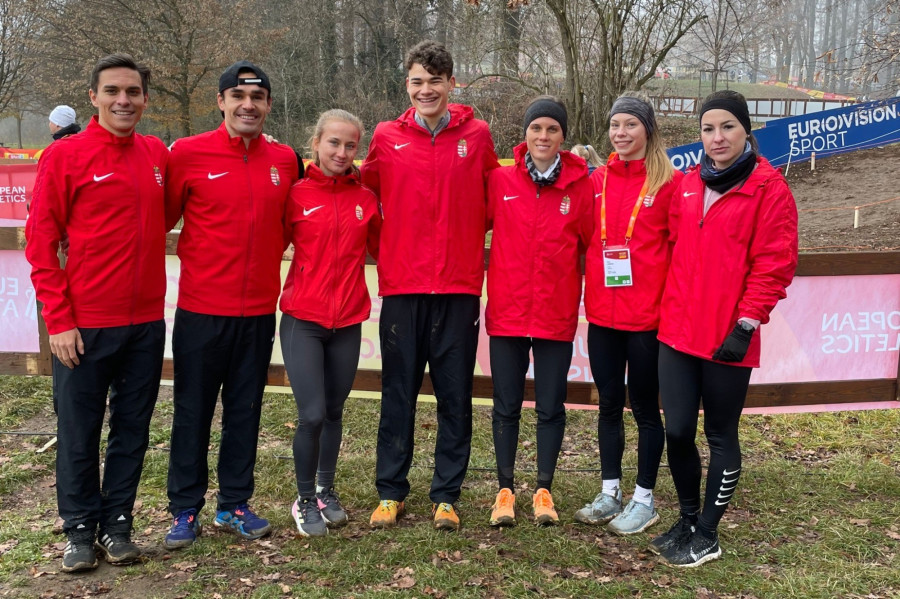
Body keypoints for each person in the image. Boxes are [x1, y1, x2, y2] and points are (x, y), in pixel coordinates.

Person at [25, 54, 168, 572]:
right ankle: (80, 529)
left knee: (132, 429)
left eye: (132, 92)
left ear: (145, 98)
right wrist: (59, 320)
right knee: (79, 431)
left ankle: (118, 524)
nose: (123, 100)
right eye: (112, 91)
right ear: (94, 97)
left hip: (145, 323)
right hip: (84, 325)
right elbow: (40, 243)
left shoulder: (156, 154)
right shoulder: (65, 156)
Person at [654, 90, 798, 567]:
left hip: (727, 337)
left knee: (719, 434)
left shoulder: (769, 188)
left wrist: (746, 324)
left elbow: (774, 264)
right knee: (677, 431)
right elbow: (670, 245)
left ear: (746, 131)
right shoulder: (687, 184)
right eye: (708, 129)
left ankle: (708, 533)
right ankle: (687, 518)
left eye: (727, 127)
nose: (717, 137)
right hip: (678, 331)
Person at [361, 40, 499, 531]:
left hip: (458, 287)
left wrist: (464, 238)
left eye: (435, 81)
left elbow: (492, 199)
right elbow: (364, 196)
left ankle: (446, 495)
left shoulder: (477, 135)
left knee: (454, 396)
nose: (426, 90)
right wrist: (389, 247)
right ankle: (390, 492)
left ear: (451, 84)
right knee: (397, 392)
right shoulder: (385, 135)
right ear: (407, 85)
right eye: (417, 81)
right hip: (403, 286)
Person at [163, 60, 301, 549]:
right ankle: (184, 510)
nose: (248, 106)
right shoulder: (187, 153)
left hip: (259, 312)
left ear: (268, 105)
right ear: (220, 101)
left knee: (245, 410)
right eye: (238, 97)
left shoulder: (285, 160)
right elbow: (157, 219)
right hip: (201, 311)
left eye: (257, 98)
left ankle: (234, 504)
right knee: (193, 413)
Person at [573, 96, 683, 535]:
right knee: (608, 406)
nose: (620, 133)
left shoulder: (669, 182)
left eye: (630, 125)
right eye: (615, 124)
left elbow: (680, 251)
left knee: (645, 409)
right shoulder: (596, 180)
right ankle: (610, 492)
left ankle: (644, 499)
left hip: (647, 320)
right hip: (602, 315)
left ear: (648, 130)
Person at [486, 97, 592, 527]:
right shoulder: (500, 180)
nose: (543, 136)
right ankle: (505, 490)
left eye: (552, 129)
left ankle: (544, 489)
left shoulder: (582, 187)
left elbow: (595, 245)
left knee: (550, 406)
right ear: (525, 134)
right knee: (506, 405)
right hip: (508, 312)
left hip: (555, 314)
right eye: (536, 128)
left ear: (563, 135)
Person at [281, 109, 381, 537]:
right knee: (312, 413)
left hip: (349, 320)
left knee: (335, 410)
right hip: (303, 319)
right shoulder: (295, 194)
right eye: (333, 143)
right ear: (316, 143)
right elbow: (266, 242)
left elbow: (386, 247)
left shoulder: (366, 199)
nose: (342, 152)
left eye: (350, 145)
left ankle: (325, 489)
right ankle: (303, 499)